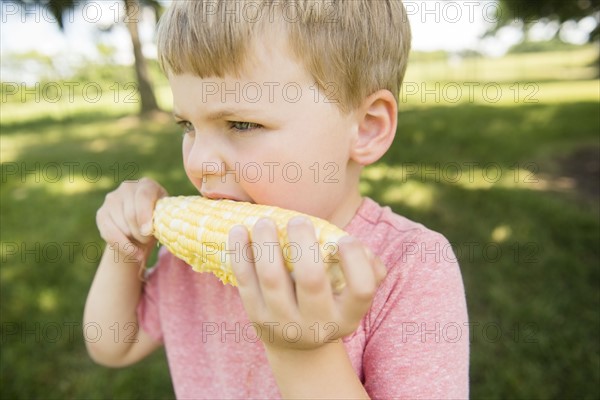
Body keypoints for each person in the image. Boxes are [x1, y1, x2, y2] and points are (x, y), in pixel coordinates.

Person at [84, 1, 469, 398]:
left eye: (242, 124)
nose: (199, 162)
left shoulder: (412, 267)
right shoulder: (191, 265)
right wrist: (124, 252)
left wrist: (303, 352)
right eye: (187, 126)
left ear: (367, 128)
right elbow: (114, 344)